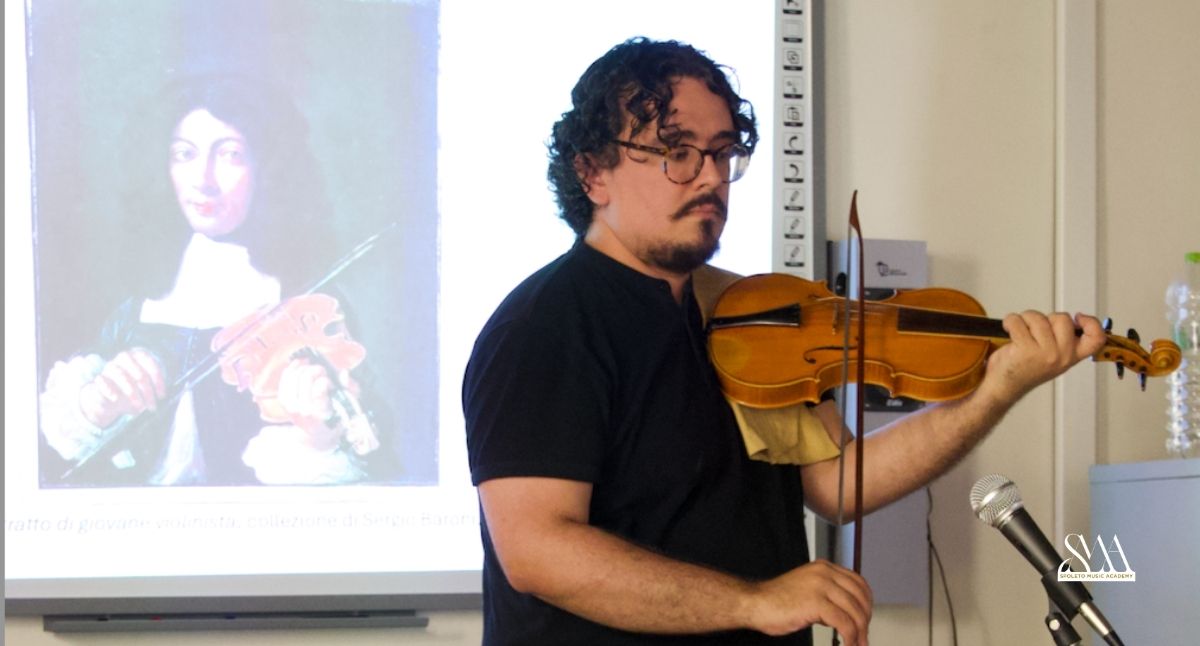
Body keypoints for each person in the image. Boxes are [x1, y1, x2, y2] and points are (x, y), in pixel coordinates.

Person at [462, 37, 1107, 645]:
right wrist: (755, 602)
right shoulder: (544, 328)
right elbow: (538, 551)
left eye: (722, 153)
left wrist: (996, 389)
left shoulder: (746, 309)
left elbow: (836, 483)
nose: (710, 177)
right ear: (592, 172)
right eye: (677, 151)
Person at [38, 74, 395, 487]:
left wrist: (318, 436)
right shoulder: (140, 308)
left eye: (230, 155)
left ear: (267, 167)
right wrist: (97, 405)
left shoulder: (313, 309)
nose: (203, 180)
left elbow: (376, 457)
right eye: (184, 154)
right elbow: (71, 457)